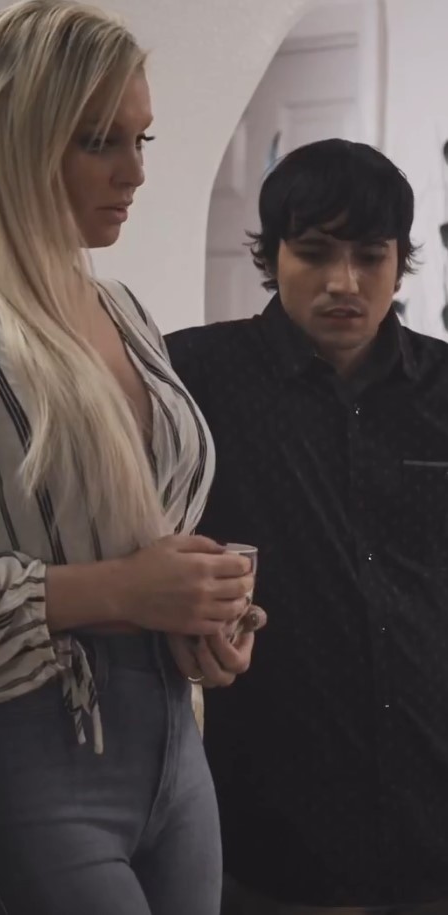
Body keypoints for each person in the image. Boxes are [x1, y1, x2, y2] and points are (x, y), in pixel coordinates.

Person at [0, 3, 269, 914]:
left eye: (141, 138)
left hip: (174, 751)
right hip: (26, 760)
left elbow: (142, 535)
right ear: (17, 137)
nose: (134, 171)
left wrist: (195, 617)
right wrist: (118, 591)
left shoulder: (123, 312)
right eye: (99, 141)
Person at [166, 139, 448, 915]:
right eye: (315, 252)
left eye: (370, 255)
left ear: (399, 262)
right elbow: (97, 541)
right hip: (270, 826)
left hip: (432, 815)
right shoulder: (192, 376)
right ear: (271, 255)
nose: (343, 282)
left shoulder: (442, 388)